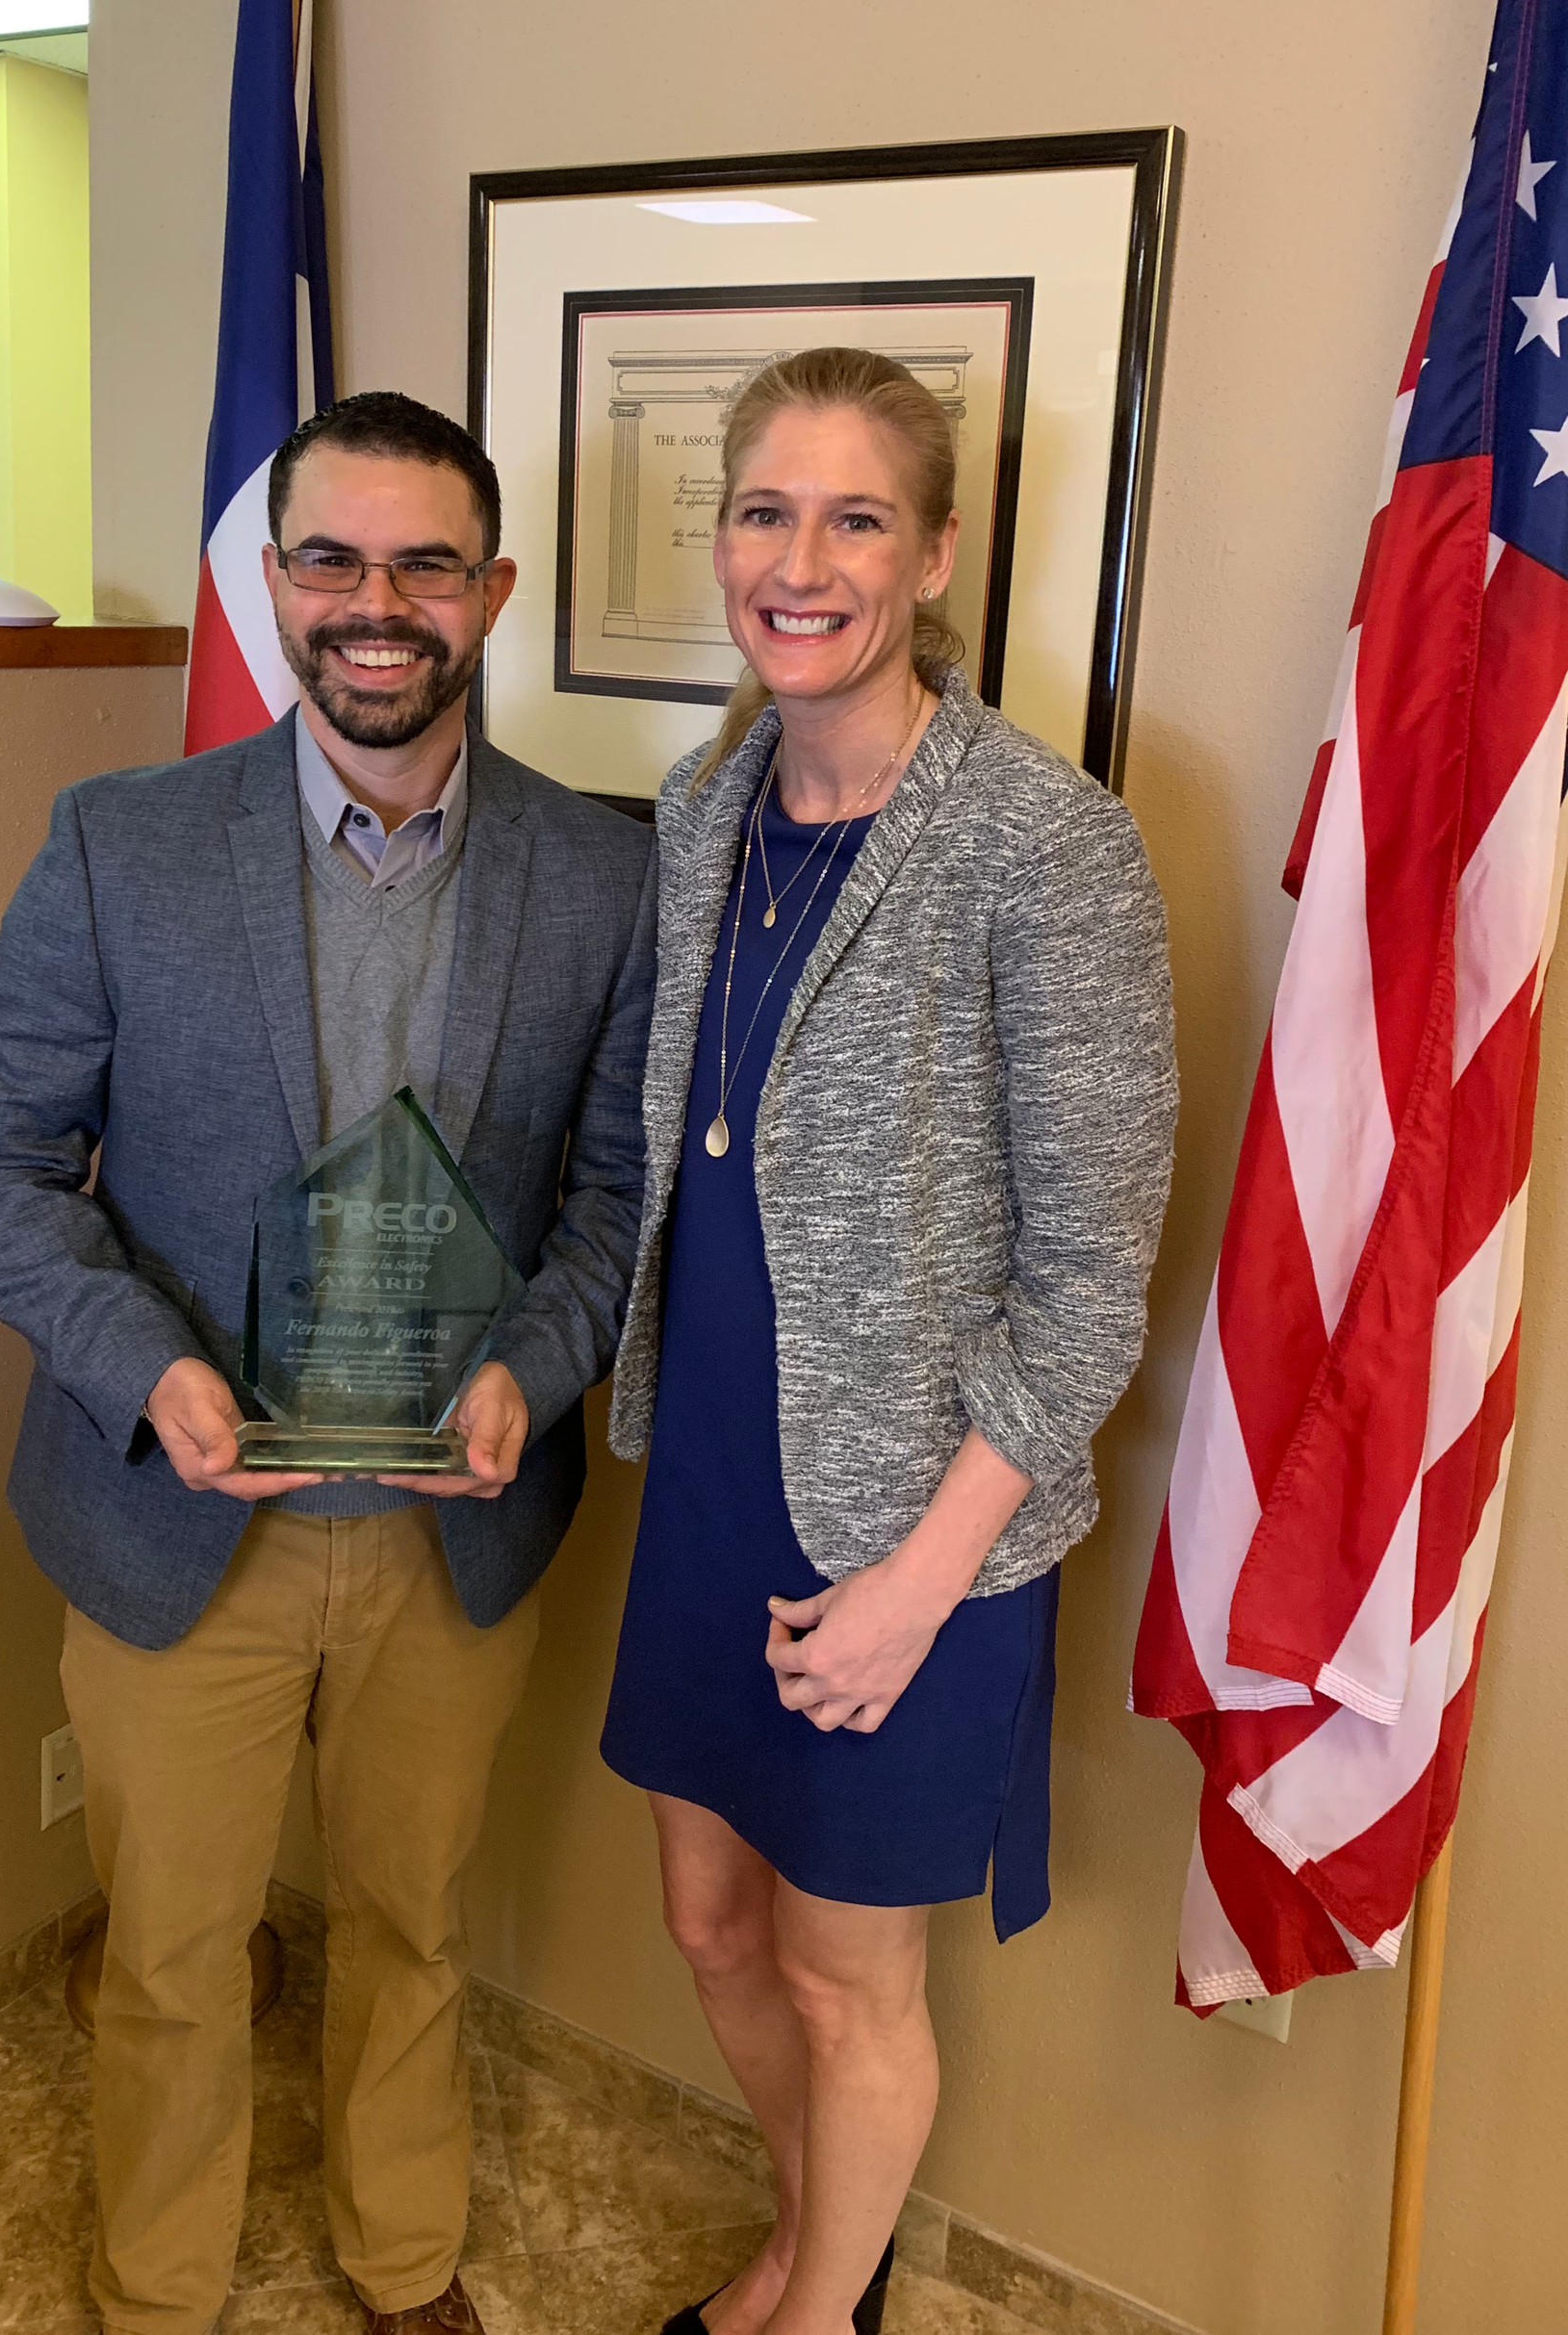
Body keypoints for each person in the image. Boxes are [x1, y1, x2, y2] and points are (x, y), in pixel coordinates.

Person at [0, 391, 655, 2335]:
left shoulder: (604, 876)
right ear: (273, 587)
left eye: (426, 561)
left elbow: (611, 1202)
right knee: (174, 1950)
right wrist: (143, 1367)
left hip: (453, 1530)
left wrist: (540, 1364)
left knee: (413, 1927)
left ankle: (399, 2252)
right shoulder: (119, 846)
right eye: (331, 557)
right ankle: (160, 2289)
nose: (376, 603)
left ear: (491, 592)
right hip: (184, 1514)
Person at [602, 347, 1176, 2335]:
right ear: (721, 535)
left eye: (857, 517)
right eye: (765, 509)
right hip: (709, 1482)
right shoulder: (704, 804)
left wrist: (917, 1588)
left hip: (917, 1533)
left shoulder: (1046, 842)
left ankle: (818, 2309)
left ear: (934, 555)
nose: (801, 558)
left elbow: (1096, 1271)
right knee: (706, 1914)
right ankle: (807, 2245)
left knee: (857, 1980)